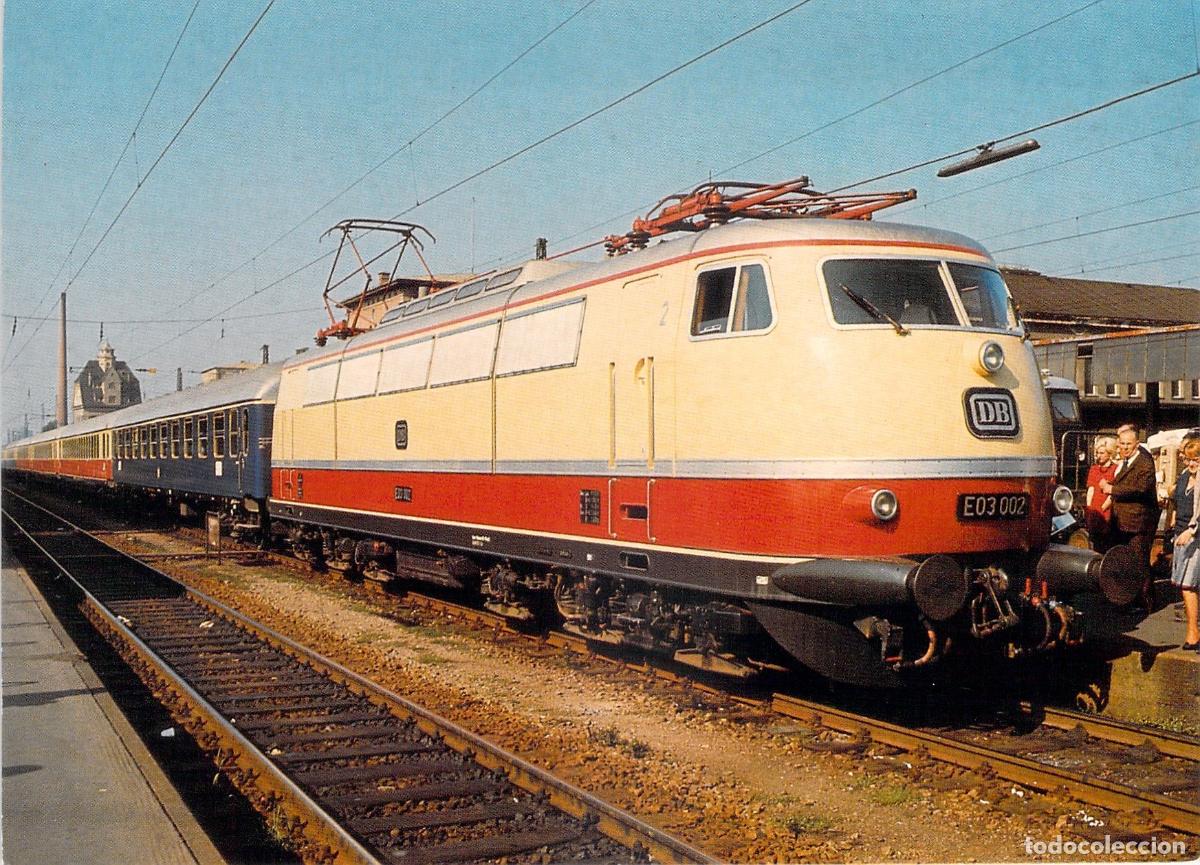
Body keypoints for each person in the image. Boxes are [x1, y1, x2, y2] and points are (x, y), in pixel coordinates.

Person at [1100, 424, 1161, 610]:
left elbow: (1141, 488)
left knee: (1139, 562)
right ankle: (1126, 599)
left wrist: (1112, 489)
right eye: (1122, 444)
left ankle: (1144, 602)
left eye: (1128, 444)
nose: (1125, 448)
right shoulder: (1125, 461)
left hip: (1139, 523)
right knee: (1124, 561)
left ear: (1136, 444)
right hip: (1122, 521)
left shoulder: (1144, 461)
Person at [1170, 437, 1200, 649]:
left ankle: (1193, 633)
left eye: (1196, 459)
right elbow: (1177, 500)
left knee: (1189, 585)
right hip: (1181, 534)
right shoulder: (1184, 477)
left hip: (1195, 537)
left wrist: (1191, 530)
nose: (1191, 464)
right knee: (1186, 585)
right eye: (1188, 459)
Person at [1084, 436, 1118, 552]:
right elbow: (1091, 489)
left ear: (1109, 453)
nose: (1099, 456)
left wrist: (1104, 507)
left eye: (1102, 453)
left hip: (1106, 507)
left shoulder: (1115, 469)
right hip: (1094, 507)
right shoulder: (1094, 469)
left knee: (1106, 539)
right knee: (1094, 540)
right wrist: (1089, 507)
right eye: (1097, 453)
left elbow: (1113, 493)